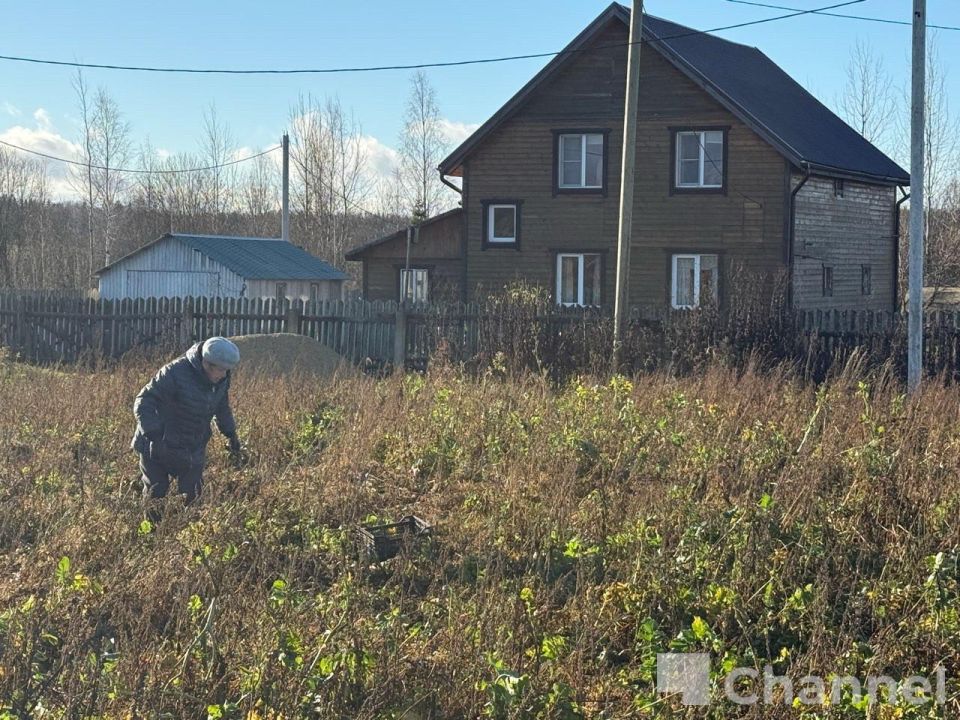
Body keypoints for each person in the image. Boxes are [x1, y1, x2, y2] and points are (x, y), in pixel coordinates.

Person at [131, 336, 241, 512]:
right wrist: (154, 437)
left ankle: (185, 527)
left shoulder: (222, 379)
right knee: (156, 493)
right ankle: (151, 528)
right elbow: (144, 401)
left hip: (192, 445)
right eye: (221, 370)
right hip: (157, 444)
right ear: (207, 364)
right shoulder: (174, 373)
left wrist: (230, 433)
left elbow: (221, 406)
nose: (224, 374)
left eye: (227, 370)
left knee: (193, 494)